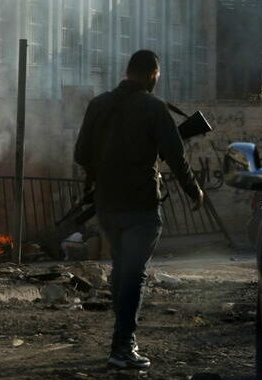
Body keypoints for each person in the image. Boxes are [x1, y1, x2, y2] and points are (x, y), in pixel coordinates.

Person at [74, 50, 204, 369]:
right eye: (157, 77)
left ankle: (122, 341)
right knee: (133, 274)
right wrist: (194, 190)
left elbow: (81, 153)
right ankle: (122, 347)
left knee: (123, 270)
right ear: (151, 75)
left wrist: (104, 170)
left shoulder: (98, 105)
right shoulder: (154, 108)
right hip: (141, 206)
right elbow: (175, 155)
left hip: (107, 205)